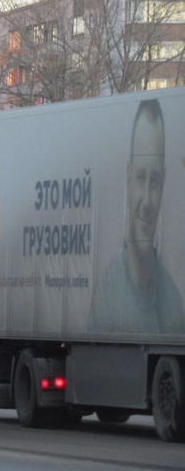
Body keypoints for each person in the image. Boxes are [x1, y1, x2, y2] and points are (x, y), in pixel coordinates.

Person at [88, 99, 184, 333]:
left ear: (163, 184)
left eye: (155, 181)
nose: (147, 201)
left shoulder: (174, 304)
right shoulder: (106, 297)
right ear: (128, 177)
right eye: (141, 177)